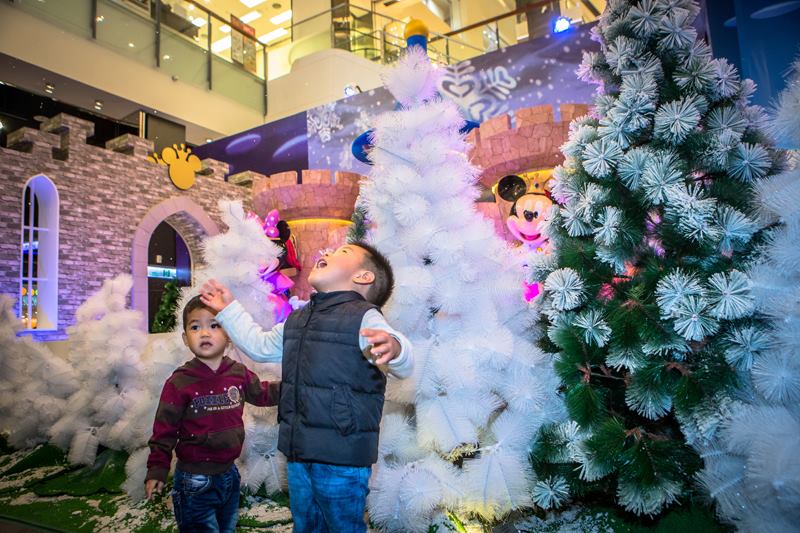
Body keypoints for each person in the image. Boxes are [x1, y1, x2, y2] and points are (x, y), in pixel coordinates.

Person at [200, 241, 413, 533]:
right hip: (299, 452)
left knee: (342, 526)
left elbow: (404, 364)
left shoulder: (365, 316)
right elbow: (260, 347)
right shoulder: (297, 318)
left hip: (342, 454)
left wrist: (395, 348)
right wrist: (228, 310)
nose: (325, 253)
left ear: (363, 277)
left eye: (342, 253)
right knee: (306, 525)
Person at [144, 295, 279, 533]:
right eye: (196, 326)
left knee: (226, 527)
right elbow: (164, 431)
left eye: (214, 325)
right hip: (194, 480)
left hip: (230, 474)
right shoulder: (179, 382)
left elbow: (262, 394)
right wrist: (157, 469)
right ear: (186, 339)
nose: (205, 333)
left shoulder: (238, 373)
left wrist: (294, 385)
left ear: (229, 336)